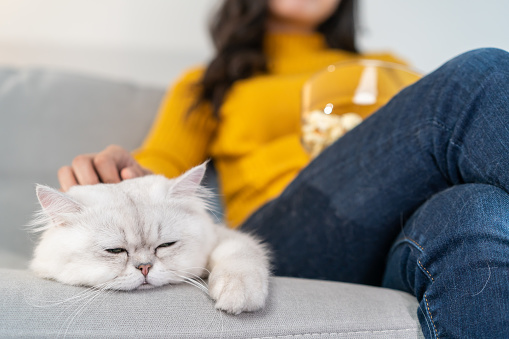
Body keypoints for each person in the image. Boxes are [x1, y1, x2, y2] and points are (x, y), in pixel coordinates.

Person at [57, 0, 509, 337]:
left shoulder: (387, 67)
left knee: (477, 212)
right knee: (477, 75)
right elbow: (163, 176)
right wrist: (119, 171)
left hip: (405, 234)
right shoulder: (208, 82)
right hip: (290, 234)